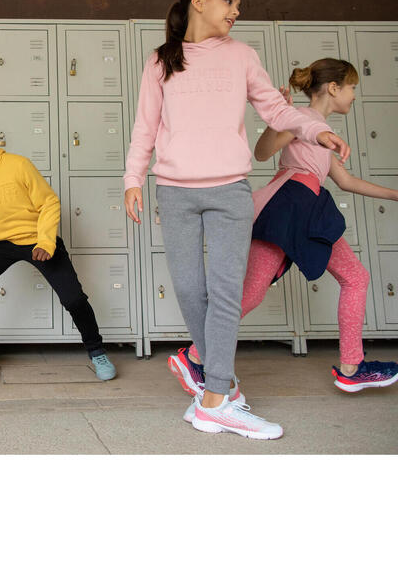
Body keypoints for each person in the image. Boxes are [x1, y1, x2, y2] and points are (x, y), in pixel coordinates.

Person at [124, 0, 351, 440]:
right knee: (190, 290)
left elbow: (276, 111)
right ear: (198, 3)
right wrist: (133, 180)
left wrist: (315, 130)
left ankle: (214, 399)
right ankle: (223, 393)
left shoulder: (243, 56)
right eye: (229, 1)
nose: (235, 11)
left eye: (239, 4)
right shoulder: (161, 62)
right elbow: (145, 127)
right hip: (174, 190)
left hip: (229, 192)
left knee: (226, 293)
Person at [170, 59, 398, 396]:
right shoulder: (303, 120)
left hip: (304, 207)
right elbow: (262, 153)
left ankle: (352, 367)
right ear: (334, 88)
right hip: (289, 206)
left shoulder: (318, 129)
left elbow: (346, 180)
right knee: (258, 292)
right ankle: (195, 355)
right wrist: (281, 121)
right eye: (351, 88)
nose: (353, 95)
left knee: (346, 278)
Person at [0, 116, 117, 388]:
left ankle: (98, 354)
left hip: (38, 239)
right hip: (0, 244)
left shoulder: (18, 164)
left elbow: (49, 203)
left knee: (73, 298)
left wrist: (46, 243)